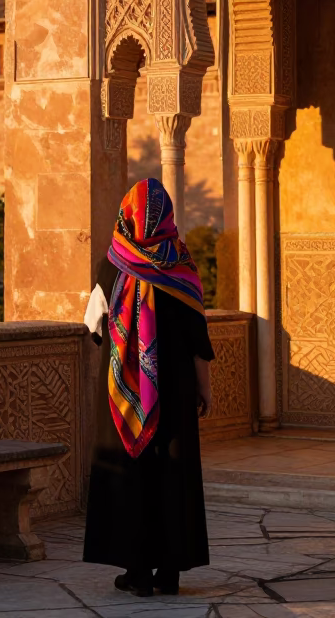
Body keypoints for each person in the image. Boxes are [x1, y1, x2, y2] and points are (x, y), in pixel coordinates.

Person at [82, 177, 214, 597]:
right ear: (167, 217)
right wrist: (204, 390)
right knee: (172, 475)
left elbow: (93, 327)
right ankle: (169, 573)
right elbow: (198, 343)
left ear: (127, 215)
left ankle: (136, 572)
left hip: (124, 393)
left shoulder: (112, 263)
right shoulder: (182, 266)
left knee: (131, 477)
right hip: (172, 394)